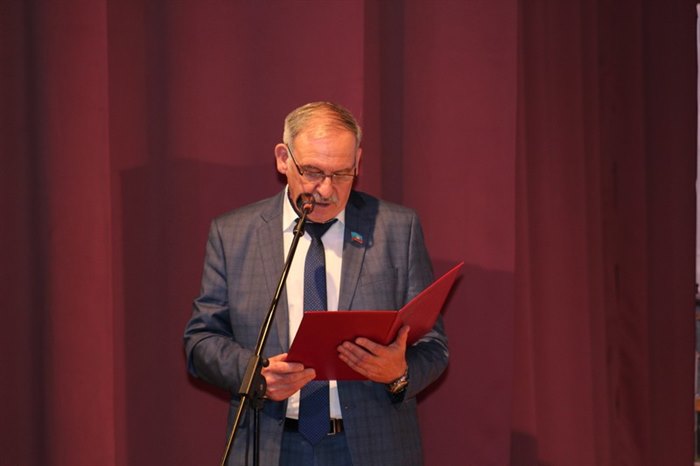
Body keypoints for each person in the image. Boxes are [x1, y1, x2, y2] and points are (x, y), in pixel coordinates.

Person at [183, 101, 448, 466]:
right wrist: (255, 374)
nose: (326, 189)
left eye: (342, 174)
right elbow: (200, 341)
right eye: (312, 172)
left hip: (371, 448)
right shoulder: (233, 234)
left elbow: (434, 347)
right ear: (283, 159)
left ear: (358, 161)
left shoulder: (397, 230)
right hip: (270, 445)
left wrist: (398, 373)